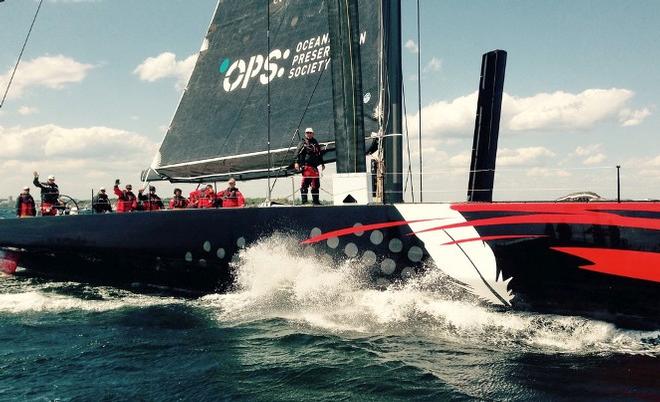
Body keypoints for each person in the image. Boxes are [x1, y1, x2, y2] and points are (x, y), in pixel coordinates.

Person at [294, 127, 325, 205]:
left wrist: (322, 163)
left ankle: (316, 202)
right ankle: (304, 202)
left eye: (310, 133)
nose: (308, 134)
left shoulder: (315, 142)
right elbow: (297, 153)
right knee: (305, 184)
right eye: (307, 133)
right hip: (306, 167)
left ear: (313, 134)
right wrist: (296, 163)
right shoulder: (302, 142)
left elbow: (319, 154)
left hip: (314, 167)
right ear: (305, 134)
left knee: (316, 185)